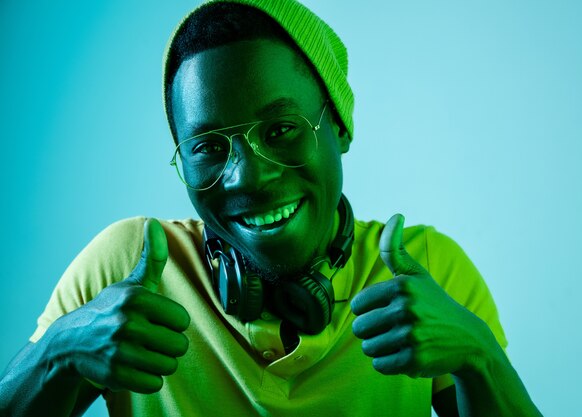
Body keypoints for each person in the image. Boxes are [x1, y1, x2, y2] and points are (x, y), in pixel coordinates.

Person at [0, 1, 543, 416]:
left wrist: (479, 358)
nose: (250, 179)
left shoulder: (428, 270)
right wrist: (58, 352)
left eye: (282, 130)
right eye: (209, 147)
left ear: (339, 127)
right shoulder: (129, 266)